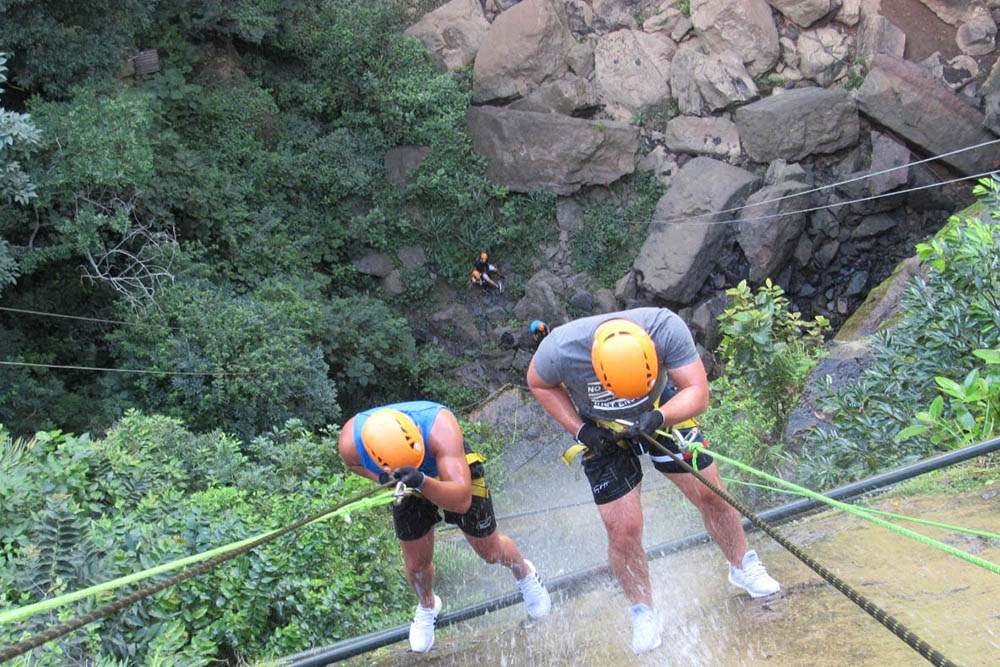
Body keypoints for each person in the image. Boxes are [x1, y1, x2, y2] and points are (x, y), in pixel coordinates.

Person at [526, 308, 780, 655]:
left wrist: (661, 415)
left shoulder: (665, 328)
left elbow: (697, 393)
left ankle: (743, 565)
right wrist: (580, 429)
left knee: (711, 493)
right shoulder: (560, 350)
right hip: (601, 427)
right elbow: (537, 382)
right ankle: (643, 611)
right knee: (623, 528)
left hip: (661, 408)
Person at [338, 401, 551, 653]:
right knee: (416, 565)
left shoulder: (440, 428)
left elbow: (461, 501)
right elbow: (353, 464)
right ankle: (428, 605)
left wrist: (421, 480)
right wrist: (382, 478)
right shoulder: (351, 441)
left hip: (451, 474)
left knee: (491, 552)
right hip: (402, 480)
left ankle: (525, 574)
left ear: (415, 429)